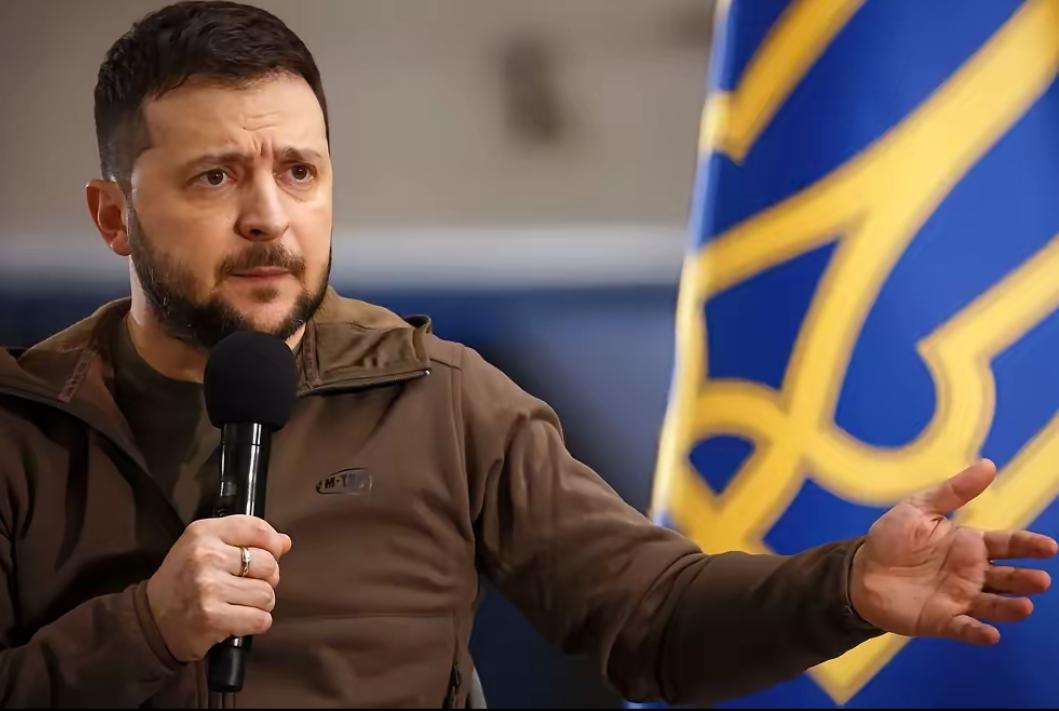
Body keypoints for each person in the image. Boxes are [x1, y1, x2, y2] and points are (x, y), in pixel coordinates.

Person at [0, 1, 1054, 707]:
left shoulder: (440, 399)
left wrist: (849, 586)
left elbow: (653, 617)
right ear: (112, 216)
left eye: (300, 172)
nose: (270, 217)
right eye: (216, 177)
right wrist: (145, 629)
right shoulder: (21, 426)